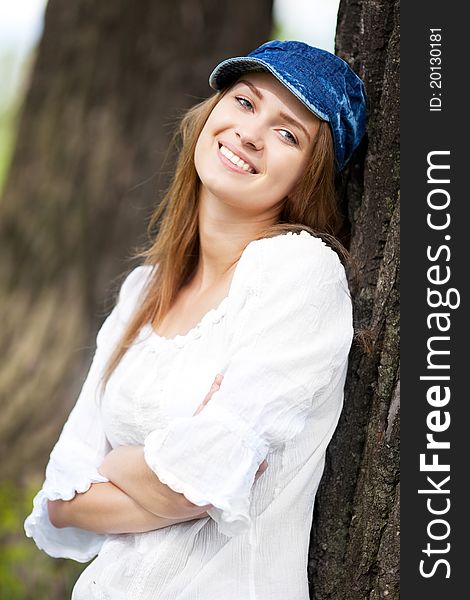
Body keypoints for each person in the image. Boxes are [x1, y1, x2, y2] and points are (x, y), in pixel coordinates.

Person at [24, 40, 367, 599]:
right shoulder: (144, 292)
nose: (251, 134)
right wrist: (167, 463)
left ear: (311, 173)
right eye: (245, 102)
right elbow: (63, 499)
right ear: (210, 114)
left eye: (288, 134)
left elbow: (195, 488)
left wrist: (118, 461)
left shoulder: (298, 273)